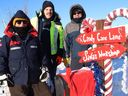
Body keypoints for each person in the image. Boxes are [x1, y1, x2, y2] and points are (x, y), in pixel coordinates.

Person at [0, 10, 51, 96]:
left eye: (24, 22)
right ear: (14, 23)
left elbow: (43, 55)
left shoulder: (34, 38)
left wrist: (45, 67)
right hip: (16, 80)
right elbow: (1, 56)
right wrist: (2, 72)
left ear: (27, 23)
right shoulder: (7, 39)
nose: (21, 24)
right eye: (18, 22)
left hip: (36, 78)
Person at [31, 1, 65, 95]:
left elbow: (61, 41)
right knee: (39, 81)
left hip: (52, 57)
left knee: (51, 79)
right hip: (39, 56)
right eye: (46, 9)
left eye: (51, 9)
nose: (49, 11)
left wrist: (59, 54)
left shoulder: (58, 23)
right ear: (43, 10)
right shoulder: (37, 21)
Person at [64, 4, 92, 70]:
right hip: (75, 59)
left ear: (82, 13)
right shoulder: (68, 27)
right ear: (72, 15)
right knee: (77, 78)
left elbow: (94, 40)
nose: (77, 14)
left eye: (79, 12)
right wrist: (66, 57)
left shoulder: (88, 24)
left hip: (89, 58)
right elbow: (65, 43)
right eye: (74, 13)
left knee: (90, 78)